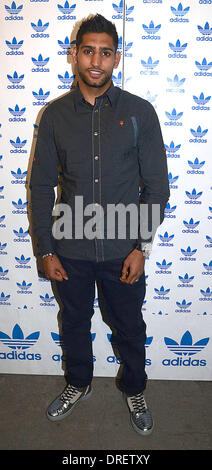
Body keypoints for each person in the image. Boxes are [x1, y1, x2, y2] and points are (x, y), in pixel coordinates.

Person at [30, 14, 170, 436]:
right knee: (73, 323)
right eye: (87, 50)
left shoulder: (140, 112)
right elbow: (40, 187)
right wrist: (46, 250)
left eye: (105, 52)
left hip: (122, 248)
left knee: (129, 326)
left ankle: (134, 387)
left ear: (117, 58)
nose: (96, 60)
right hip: (69, 247)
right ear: (74, 55)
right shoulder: (54, 115)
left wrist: (139, 247)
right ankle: (78, 383)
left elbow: (157, 187)